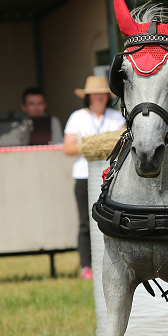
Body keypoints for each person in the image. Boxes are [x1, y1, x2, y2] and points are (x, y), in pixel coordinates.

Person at [63, 76, 126, 279]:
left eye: (102, 93)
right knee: (85, 221)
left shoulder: (117, 118)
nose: (98, 97)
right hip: (83, 175)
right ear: (88, 96)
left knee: (114, 218)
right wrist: (95, 145)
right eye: (94, 94)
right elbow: (68, 147)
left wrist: (98, 143)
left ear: (107, 97)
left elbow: (124, 142)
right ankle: (86, 266)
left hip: (111, 174)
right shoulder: (77, 117)